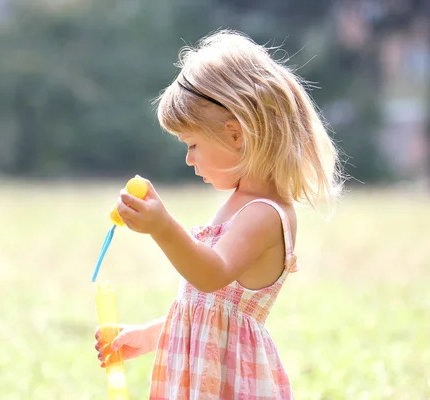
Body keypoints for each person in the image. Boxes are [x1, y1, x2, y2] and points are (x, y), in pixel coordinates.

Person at [94, 29, 343, 399]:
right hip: (206, 376)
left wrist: (162, 227)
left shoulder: (264, 215)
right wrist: (148, 335)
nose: (189, 159)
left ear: (235, 135)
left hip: (230, 383)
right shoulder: (239, 204)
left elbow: (210, 276)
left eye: (193, 144)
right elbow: (207, 314)